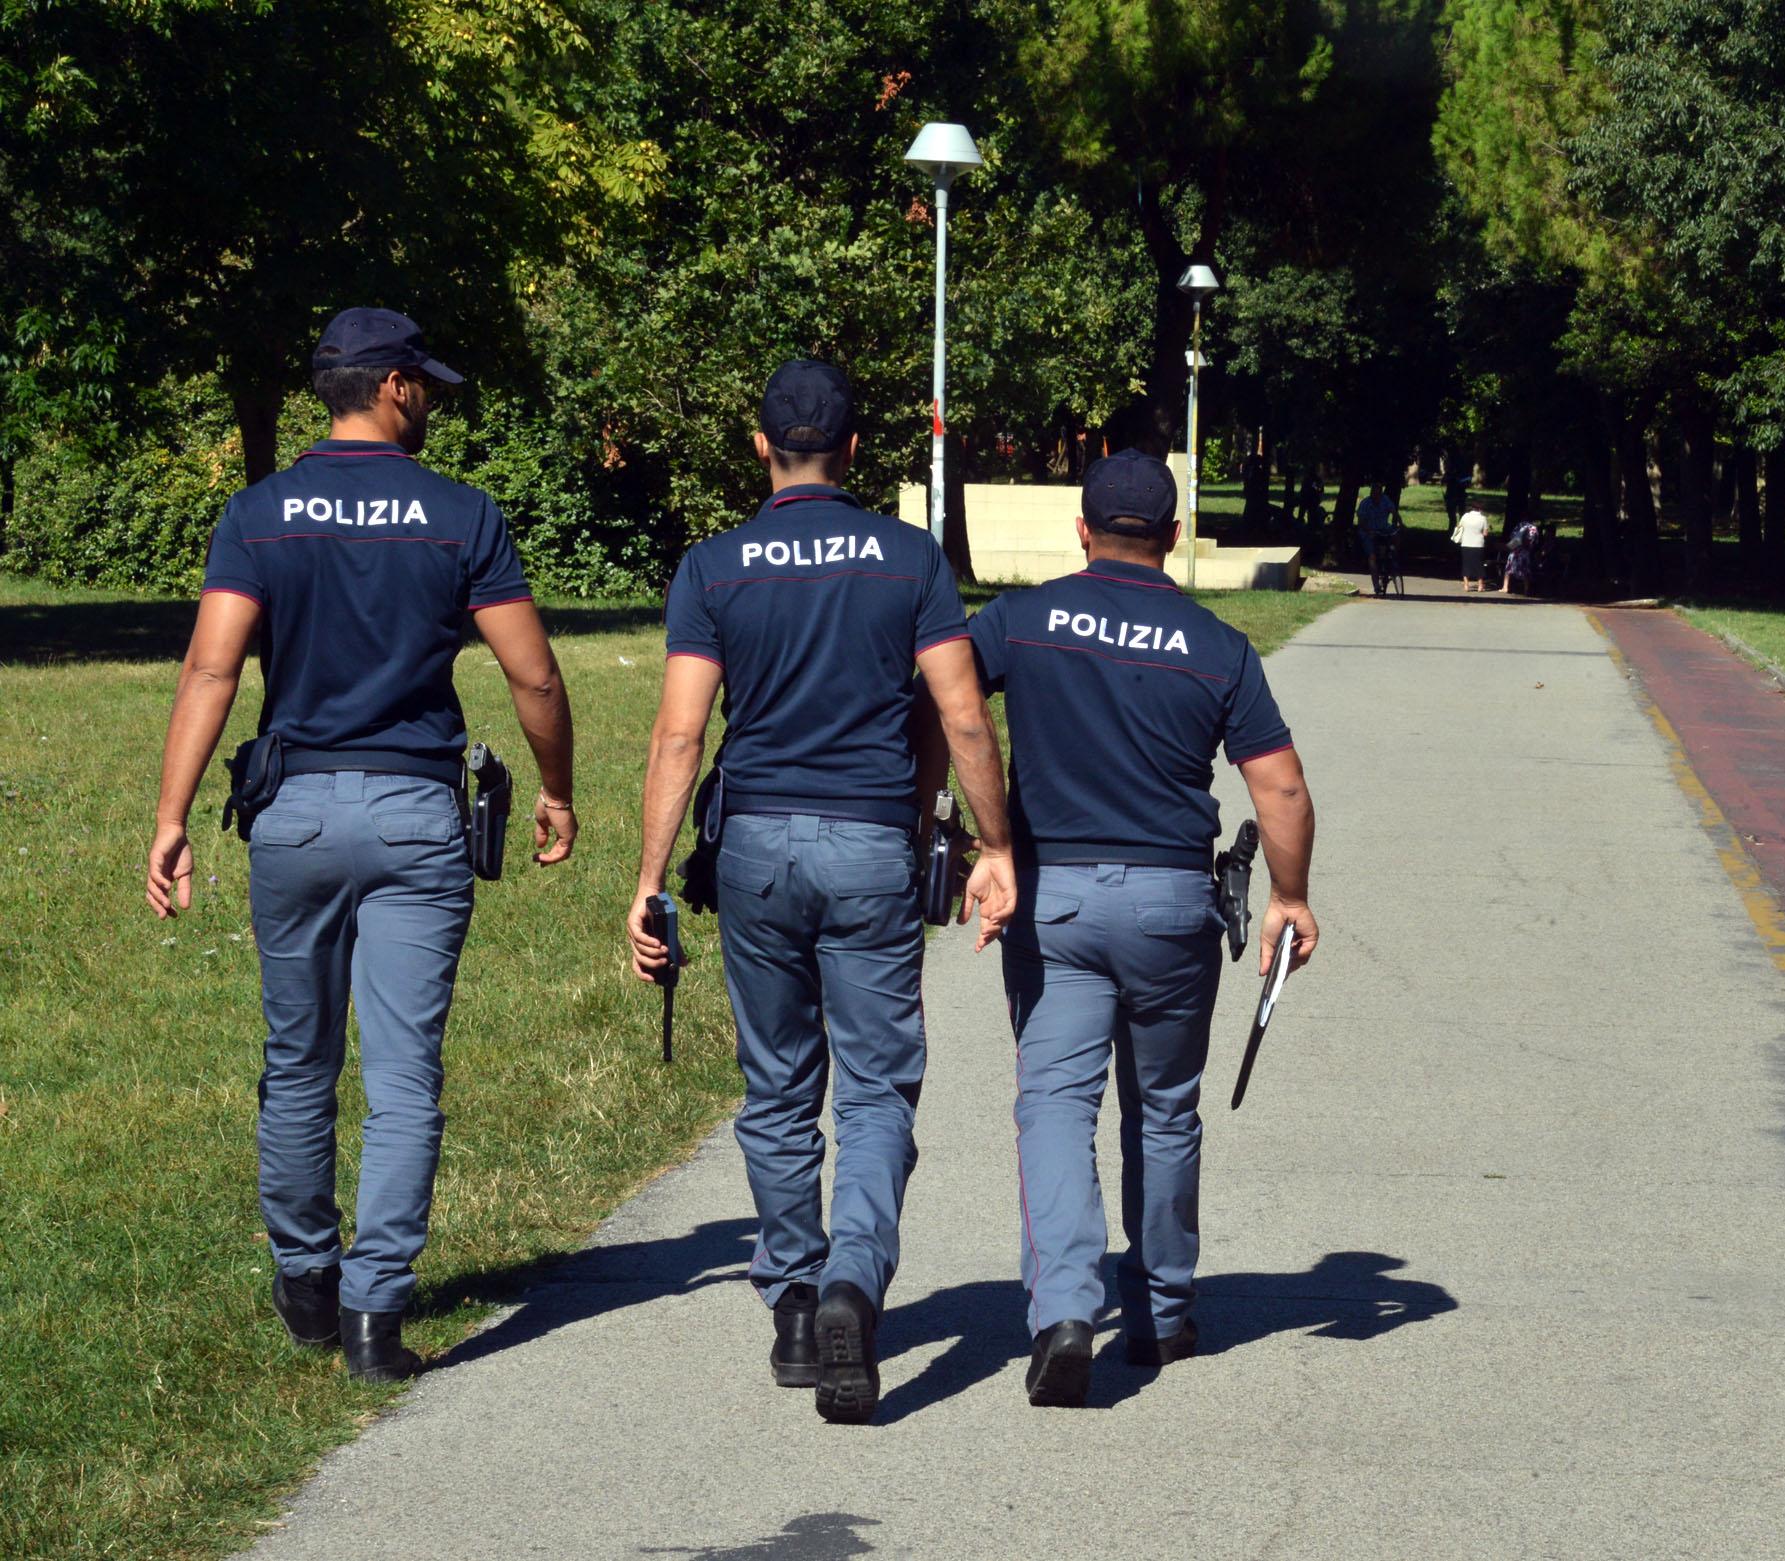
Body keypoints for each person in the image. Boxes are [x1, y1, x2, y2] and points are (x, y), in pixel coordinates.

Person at [144, 307, 578, 1381]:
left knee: (297, 1060)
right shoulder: (460, 514)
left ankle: (304, 1280)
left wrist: (170, 817)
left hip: (289, 815)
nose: (428, 398)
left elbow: (211, 670)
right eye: (422, 382)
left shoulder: (258, 513)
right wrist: (558, 789)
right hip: (414, 816)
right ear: (389, 386)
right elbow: (531, 673)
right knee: (403, 1073)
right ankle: (376, 1314)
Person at [626, 361, 1015, 1425]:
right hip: (868, 844)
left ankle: (796, 1302)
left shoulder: (713, 567)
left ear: (762, 446)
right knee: (879, 1086)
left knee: (778, 1085)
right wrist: (993, 842)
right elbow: (962, 712)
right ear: (854, 451)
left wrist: (651, 881)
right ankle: (854, 1277)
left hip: (752, 843)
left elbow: (678, 733)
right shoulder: (908, 560)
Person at [965, 450, 1319, 1408]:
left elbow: (946, 702)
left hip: (1059, 903)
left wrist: (980, 833)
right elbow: (1279, 784)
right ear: (1172, 536)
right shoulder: (1216, 647)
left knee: (1055, 1104)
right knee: (1165, 1107)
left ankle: (1067, 1309)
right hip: (1171, 905)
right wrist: (1288, 895)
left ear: (1080, 530)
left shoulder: (1021, 621)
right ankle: (1163, 1310)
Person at [1355, 487, 1402, 592]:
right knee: (1372, 557)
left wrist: (1400, 524)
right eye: (1374, 494)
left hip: (1383, 528)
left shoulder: (1385, 500)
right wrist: (1369, 531)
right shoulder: (1365, 504)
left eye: (1378, 494)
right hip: (1368, 531)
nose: (1376, 497)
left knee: (1395, 535)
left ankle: (1393, 556)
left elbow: (1394, 512)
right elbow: (1361, 522)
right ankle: (1376, 585)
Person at [1451, 504, 1489, 592]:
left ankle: (1466, 585)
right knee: (1479, 564)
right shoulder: (1483, 518)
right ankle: (1480, 586)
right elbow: (1485, 533)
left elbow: (1459, 527)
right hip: (1478, 544)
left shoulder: (1465, 516)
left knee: (1466, 563)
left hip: (1466, 543)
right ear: (1479, 509)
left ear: (1471, 508)